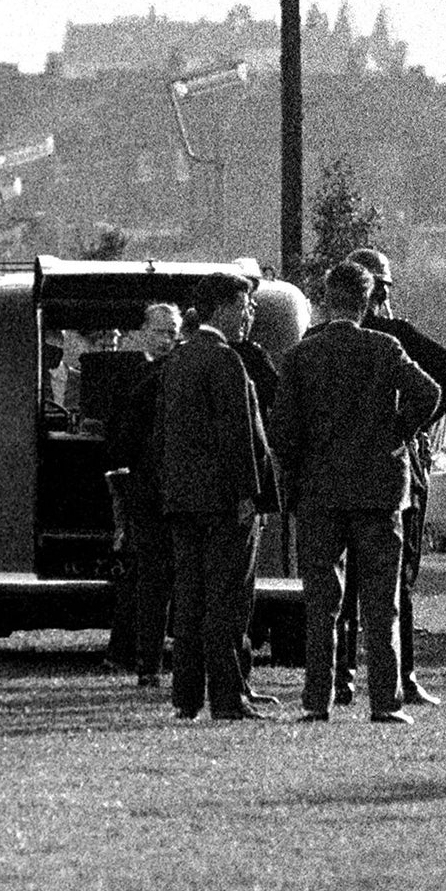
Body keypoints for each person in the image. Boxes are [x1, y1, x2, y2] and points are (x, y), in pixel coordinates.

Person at [271, 262, 439, 724]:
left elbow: (282, 428)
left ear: (325, 300)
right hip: (380, 488)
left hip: (320, 490)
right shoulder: (384, 347)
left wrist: (301, 460)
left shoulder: (302, 354)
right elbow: (430, 392)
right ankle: (386, 701)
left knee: (321, 603)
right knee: (381, 603)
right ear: (367, 302)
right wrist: (396, 434)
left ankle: (316, 700)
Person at [345, 248, 446, 706]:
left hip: (337, 474)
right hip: (395, 466)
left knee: (342, 582)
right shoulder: (394, 336)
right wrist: (411, 424)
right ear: (379, 291)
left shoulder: (321, 337)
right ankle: (402, 676)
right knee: (398, 579)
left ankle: (340, 677)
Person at [155, 269, 279, 721]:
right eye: (245, 306)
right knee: (227, 600)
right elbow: (238, 435)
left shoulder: (179, 359)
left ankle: (186, 697)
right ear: (224, 308)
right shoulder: (226, 360)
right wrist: (250, 493)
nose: (249, 315)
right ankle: (229, 698)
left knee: (188, 601)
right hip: (225, 502)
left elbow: (165, 435)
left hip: (184, 500)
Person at [104, 303, 181, 685]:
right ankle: (134, 654)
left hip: (167, 486)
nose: (168, 339)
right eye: (161, 331)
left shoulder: (174, 372)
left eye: (173, 332)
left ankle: (147, 656)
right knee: (145, 575)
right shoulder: (130, 375)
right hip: (147, 487)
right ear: (142, 333)